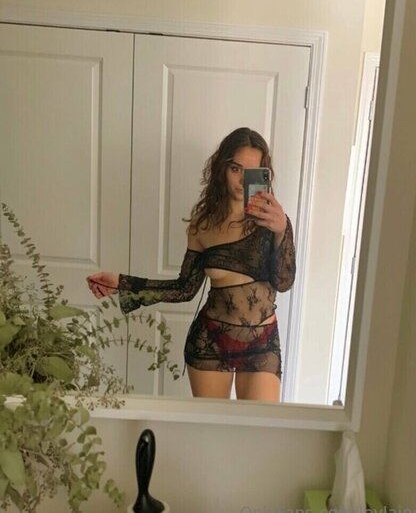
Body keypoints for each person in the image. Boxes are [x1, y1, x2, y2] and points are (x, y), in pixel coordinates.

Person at [86, 127, 295, 402]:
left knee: (260, 426)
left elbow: (283, 282)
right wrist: (122, 283)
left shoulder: (273, 222)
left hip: (262, 342)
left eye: (251, 172)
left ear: (263, 174)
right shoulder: (203, 225)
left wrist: (282, 230)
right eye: (235, 168)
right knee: (210, 426)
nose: (241, 180)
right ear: (222, 168)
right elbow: (184, 289)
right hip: (210, 341)